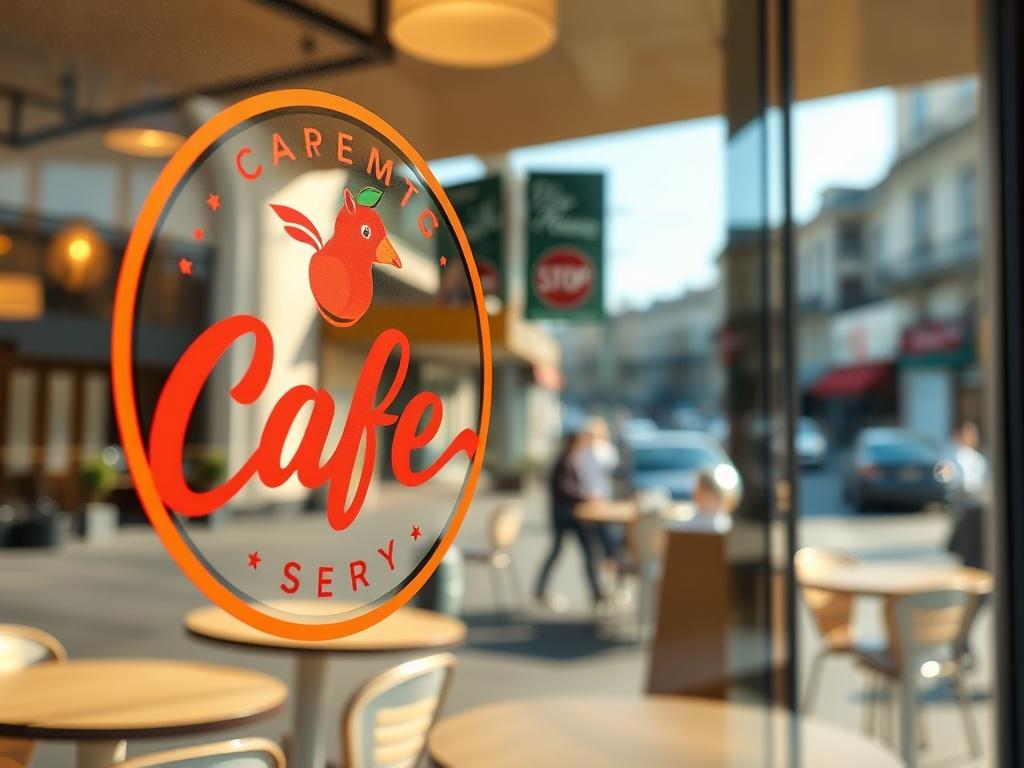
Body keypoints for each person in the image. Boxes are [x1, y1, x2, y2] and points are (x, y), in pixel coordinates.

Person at [535, 432, 604, 608]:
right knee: (581, 551)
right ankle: (596, 592)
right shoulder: (564, 461)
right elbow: (564, 488)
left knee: (585, 552)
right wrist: (584, 497)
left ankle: (597, 592)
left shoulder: (570, 460)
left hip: (569, 514)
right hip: (566, 515)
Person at [574, 417, 626, 575]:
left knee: (610, 542)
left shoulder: (605, 451)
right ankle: (597, 588)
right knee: (590, 548)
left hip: (603, 501)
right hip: (587, 502)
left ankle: (613, 571)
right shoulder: (582, 454)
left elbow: (614, 473)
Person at [945, 420, 989, 569]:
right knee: (965, 543)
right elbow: (945, 476)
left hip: (978, 503)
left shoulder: (977, 458)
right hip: (962, 504)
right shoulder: (951, 455)